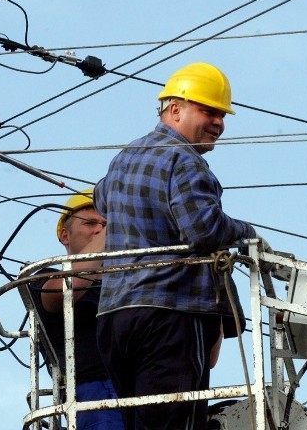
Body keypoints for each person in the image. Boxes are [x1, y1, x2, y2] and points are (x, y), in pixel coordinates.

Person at [94, 62, 258, 430]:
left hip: (116, 319)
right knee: (174, 424)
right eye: (209, 111)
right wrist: (249, 234)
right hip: (170, 315)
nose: (219, 123)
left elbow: (102, 201)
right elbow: (205, 231)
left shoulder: (122, 159)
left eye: (221, 114)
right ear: (175, 109)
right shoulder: (186, 161)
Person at [28, 188, 125, 430]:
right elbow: (65, 289)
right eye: (91, 223)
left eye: (104, 224)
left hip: (145, 387)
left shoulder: (132, 282)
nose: (99, 229)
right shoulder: (45, 276)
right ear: (65, 235)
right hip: (95, 391)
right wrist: (112, 225)